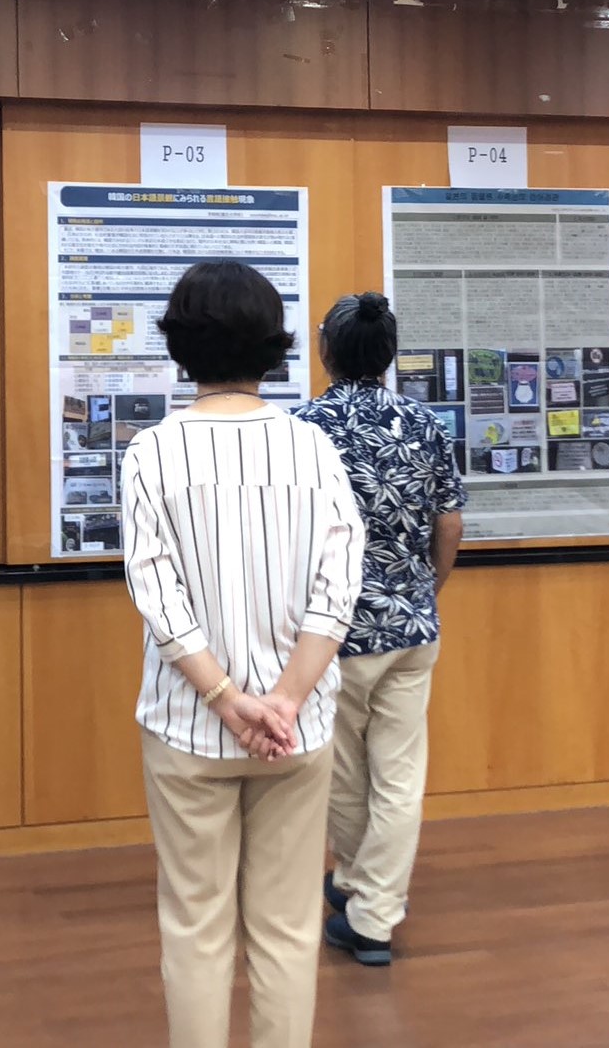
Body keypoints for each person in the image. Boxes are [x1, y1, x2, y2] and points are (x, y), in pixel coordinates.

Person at [120, 261, 364, 1048]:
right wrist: (284, 699)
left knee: (195, 926)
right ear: (273, 345)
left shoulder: (152, 452)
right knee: (288, 928)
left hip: (188, 728)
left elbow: (157, 595)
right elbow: (339, 587)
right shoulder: (313, 449)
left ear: (180, 345)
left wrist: (226, 699)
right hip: (297, 731)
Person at [293, 292, 466, 967]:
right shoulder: (424, 422)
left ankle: (364, 904)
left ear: (325, 351)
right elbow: (449, 523)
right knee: (399, 777)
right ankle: (370, 904)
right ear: (390, 354)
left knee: (342, 775)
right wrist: (425, 589)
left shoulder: (304, 428)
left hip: (333, 631)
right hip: (413, 627)